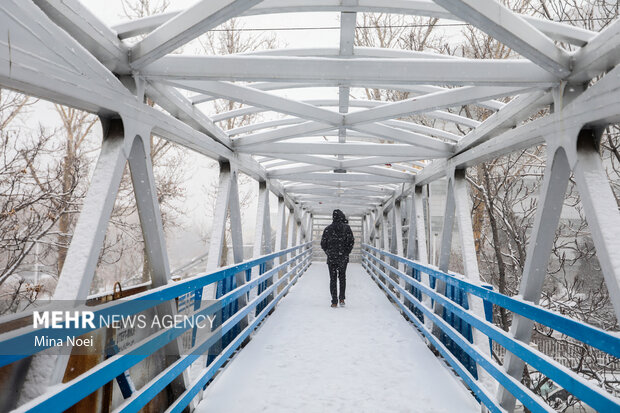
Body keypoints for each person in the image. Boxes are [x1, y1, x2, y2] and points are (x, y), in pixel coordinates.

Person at [320, 209, 354, 308]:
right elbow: (351, 242)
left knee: (333, 279)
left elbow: (323, 244)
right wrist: (346, 253)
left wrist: (329, 253)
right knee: (342, 277)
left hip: (332, 258)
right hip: (343, 258)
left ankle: (334, 301)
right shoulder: (347, 228)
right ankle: (342, 299)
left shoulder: (327, 229)